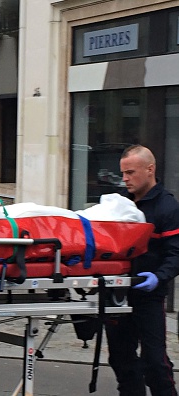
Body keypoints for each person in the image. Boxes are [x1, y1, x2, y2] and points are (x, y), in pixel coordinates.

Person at [105, 144, 179, 396]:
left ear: (150, 170)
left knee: (155, 364)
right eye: (122, 173)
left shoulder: (166, 207)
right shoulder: (119, 204)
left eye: (130, 172)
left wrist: (158, 277)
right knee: (121, 361)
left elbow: (176, 252)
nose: (124, 179)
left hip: (148, 296)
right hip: (117, 293)